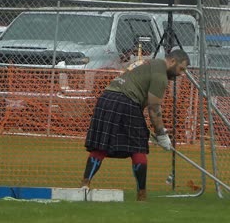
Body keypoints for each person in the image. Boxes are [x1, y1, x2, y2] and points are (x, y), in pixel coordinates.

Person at [80, 49, 190, 201]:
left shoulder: (149, 63)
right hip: (126, 101)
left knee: (101, 145)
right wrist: (161, 134)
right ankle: (141, 195)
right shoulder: (160, 75)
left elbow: (142, 100)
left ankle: (84, 185)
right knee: (138, 148)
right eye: (181, 68)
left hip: (107, 98)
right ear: (172, 61)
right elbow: (154, 108)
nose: (181, 73)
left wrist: (159, 129)